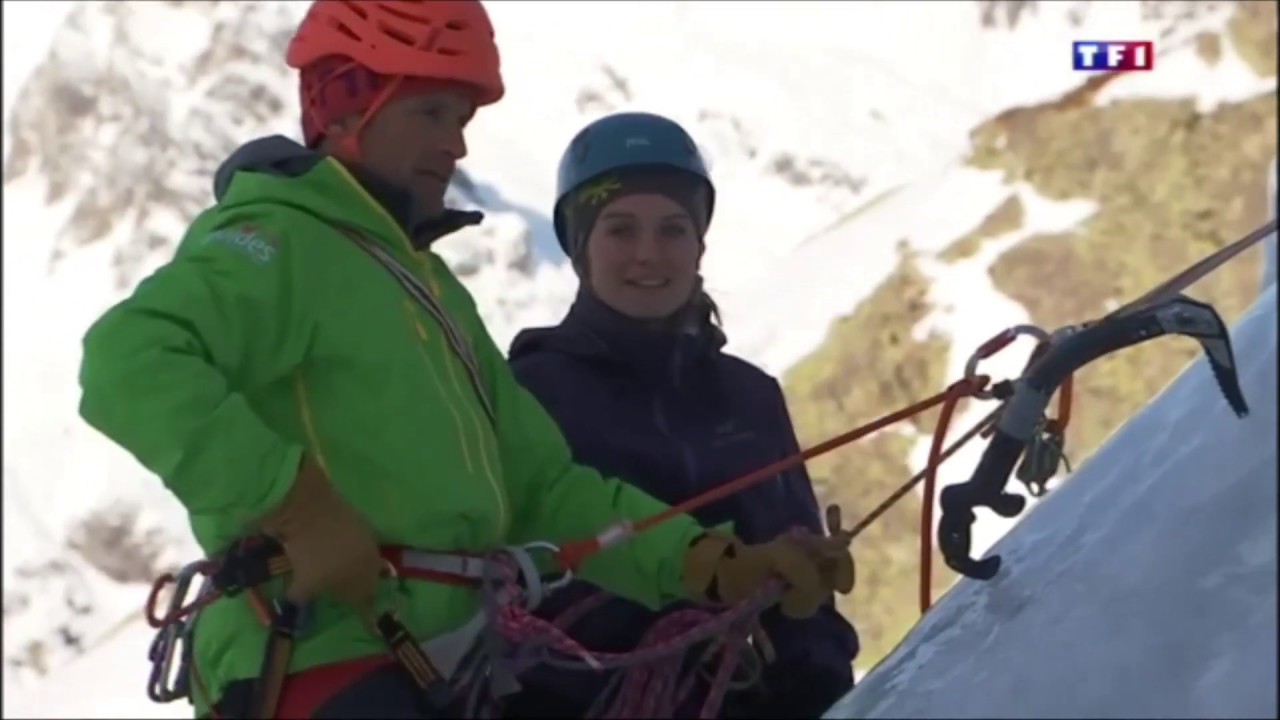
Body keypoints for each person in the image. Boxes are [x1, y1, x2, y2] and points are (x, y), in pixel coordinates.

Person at [76, 3, 854, 719]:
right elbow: (129, 360)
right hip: (319, 654)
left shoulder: (425, 283)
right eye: (430, 112)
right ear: (347, 104)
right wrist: (297, 504)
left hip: (423, 663)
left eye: (462, 116)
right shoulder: (282, 240)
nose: (457, 141)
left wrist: (712, 564)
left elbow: (544, 487)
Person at [502, 112, 859, 719]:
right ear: (579, 246)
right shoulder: (530, 392)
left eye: (672, 230)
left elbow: (803, 595)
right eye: (620, 230)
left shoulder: (750, 396)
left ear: (699, 244)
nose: (649, 254)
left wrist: (823, 683)